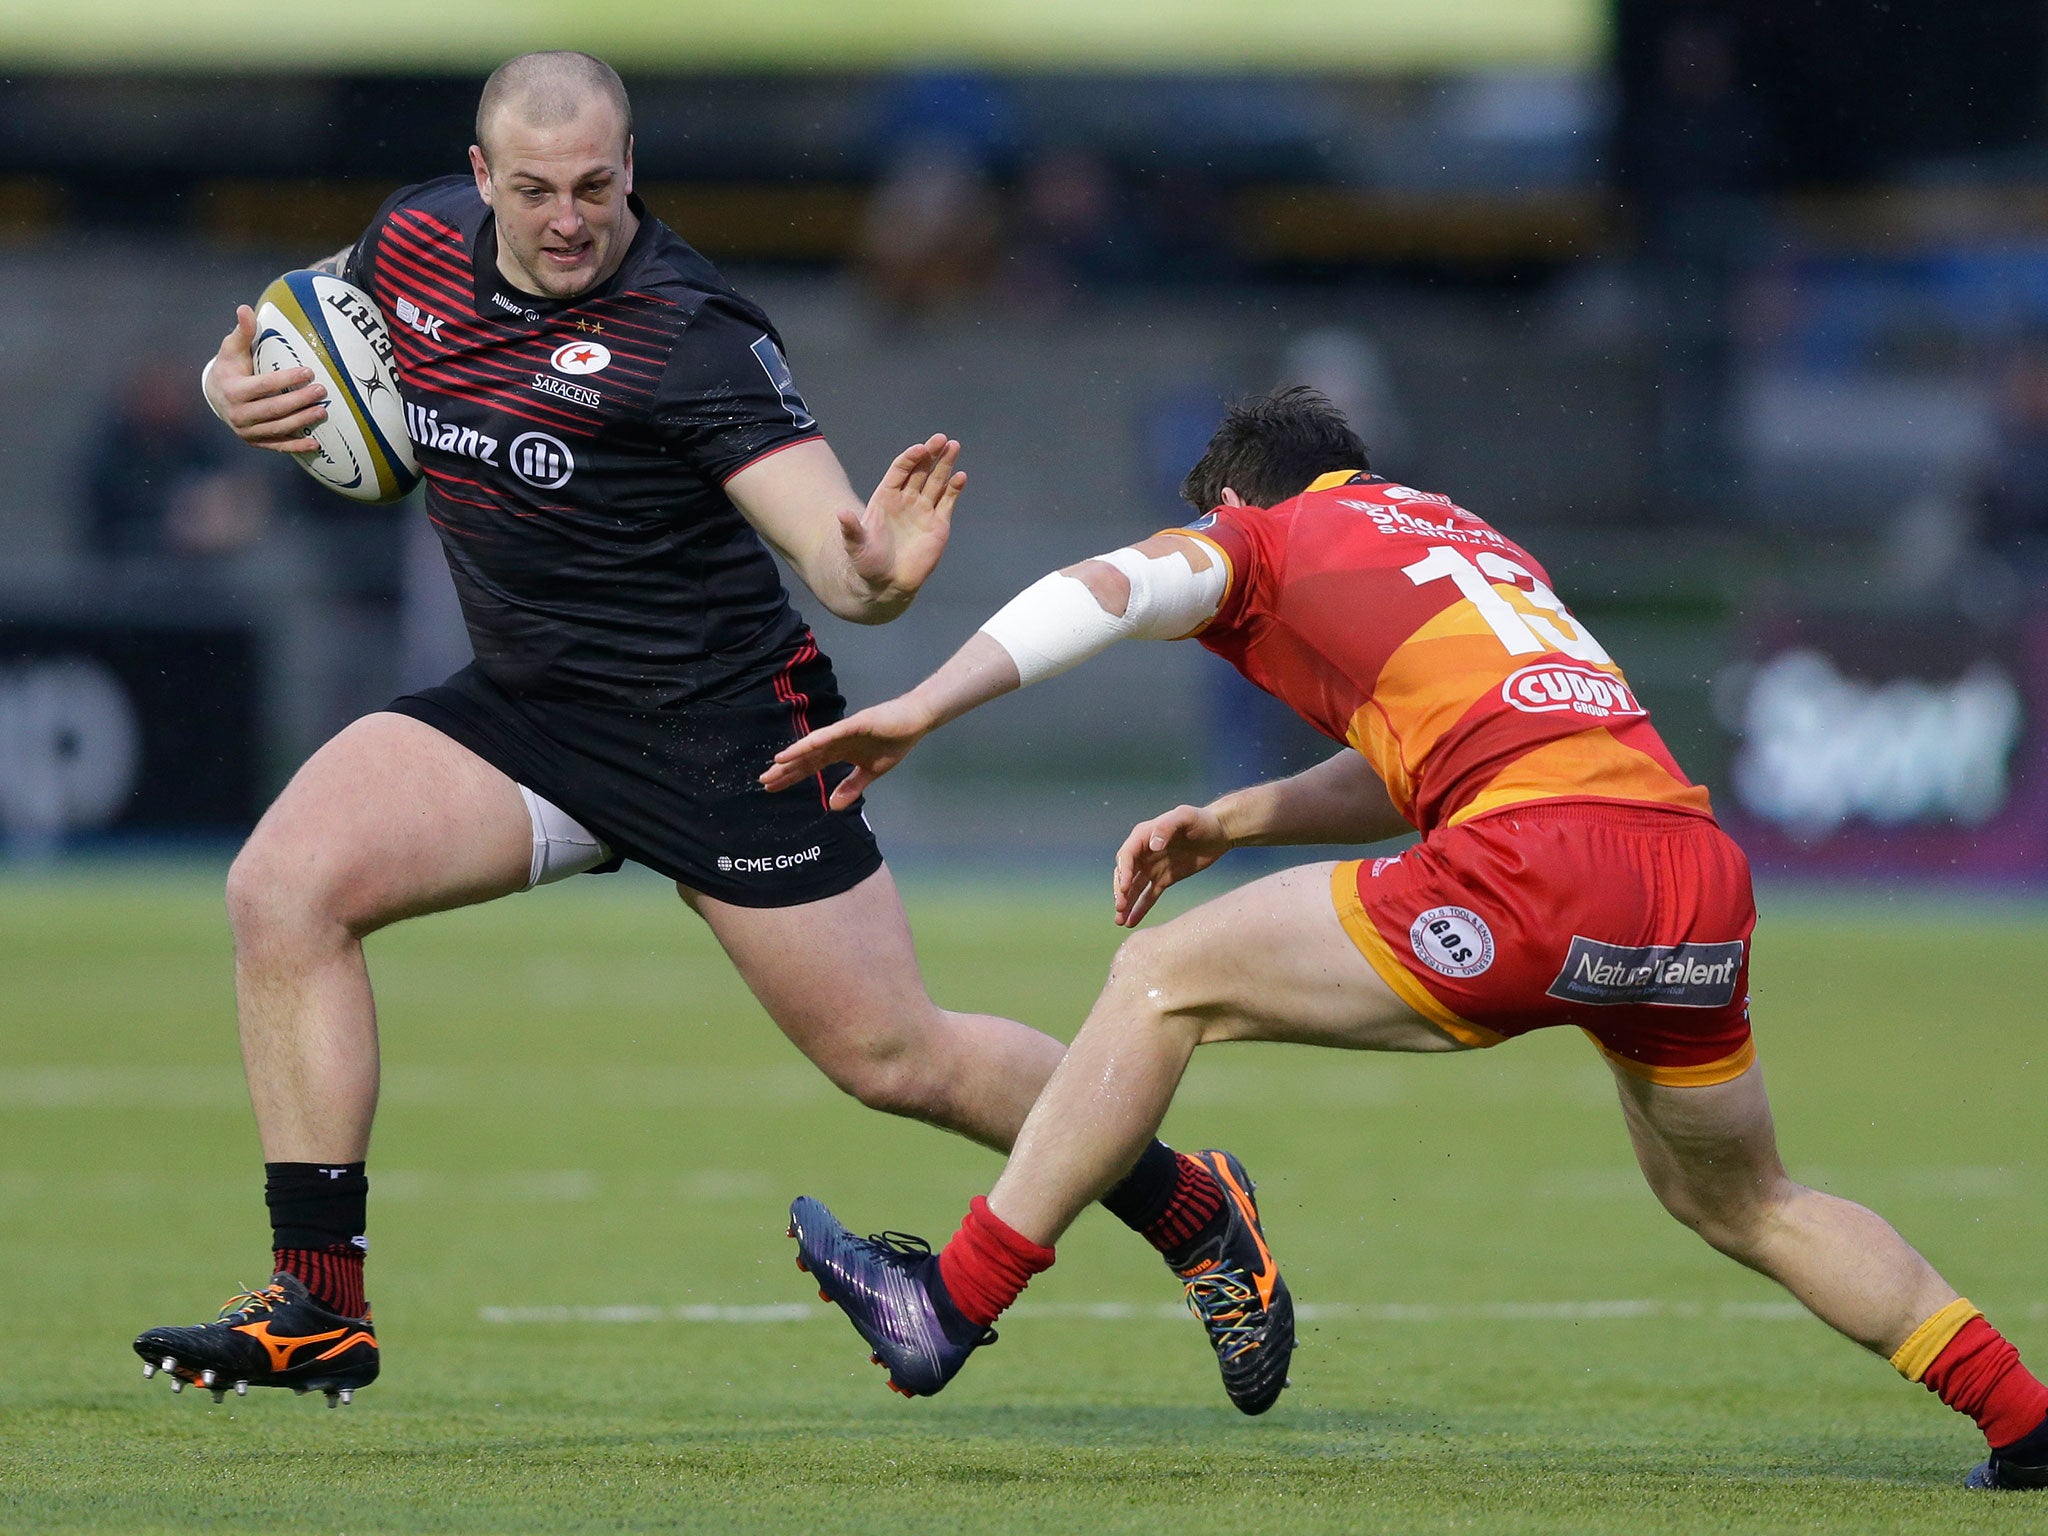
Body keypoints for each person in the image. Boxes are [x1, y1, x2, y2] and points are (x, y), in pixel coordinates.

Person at [131, 51, 1270, 1411]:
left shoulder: (692, 333)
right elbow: (281, 322)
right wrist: (226, 385)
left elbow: (840, 562)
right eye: (538, 189)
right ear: (482, 177)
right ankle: (319, 1303)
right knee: (282, 888)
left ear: (634, 171)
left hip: (722, 738)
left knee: (897, 1058)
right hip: (526, 713)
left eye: (598, 187)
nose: (569, 218)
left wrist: (885, 572)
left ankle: (1196, 1210)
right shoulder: (414, 235)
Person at [767, 387, 2048, 1491]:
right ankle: (2024, 1419)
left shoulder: (1262, 532)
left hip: (1537, 872)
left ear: (1235, 496)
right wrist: (1236, 818)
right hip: (1689, 875)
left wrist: (921, 706)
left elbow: (1104, 590)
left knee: (1162, 981)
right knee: (1745, 1199)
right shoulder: (1470, 542)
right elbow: (1428, 758)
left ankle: (950, 1305)